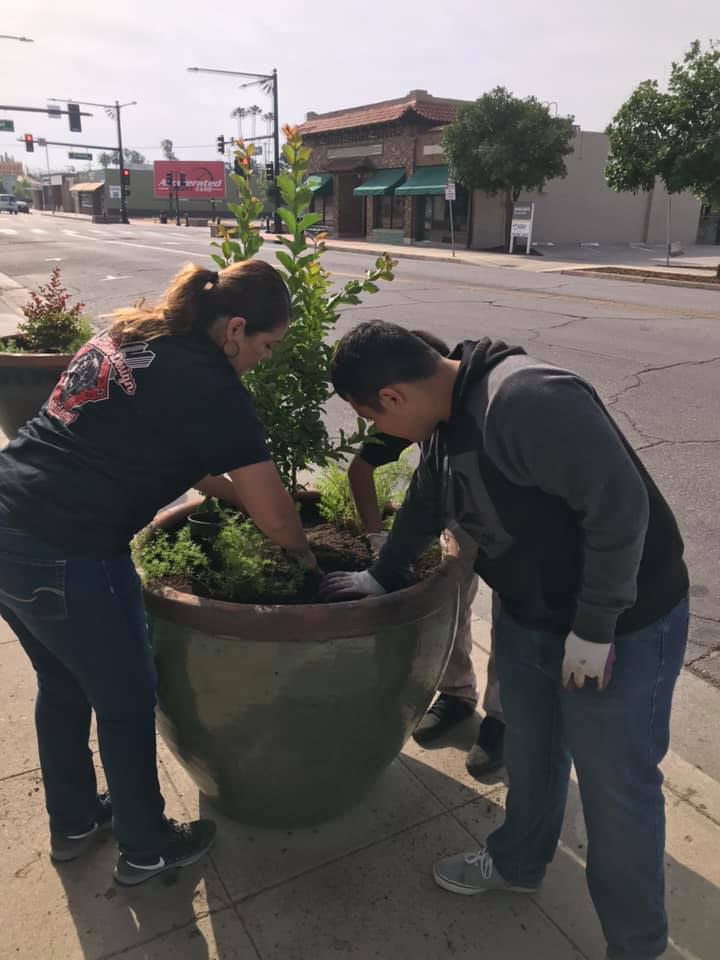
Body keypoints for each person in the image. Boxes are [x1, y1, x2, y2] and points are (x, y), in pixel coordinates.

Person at [321, 320, 689, 960]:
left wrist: (596, 626)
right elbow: (429, 498)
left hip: (623, 625)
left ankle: (636, 945)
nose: (378, 432)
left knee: (616, 789)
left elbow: (621, 509)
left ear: (393, 396)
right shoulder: (447, 418)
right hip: (532, 614)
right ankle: (518, 862)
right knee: (533, 751)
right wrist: (381, 574)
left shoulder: (527, 399)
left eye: (371, 416)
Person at [0, 260, 318, 886]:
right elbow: (280, 518)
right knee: (125, 698)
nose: (266, 359)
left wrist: (238, 500)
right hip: (72, 549)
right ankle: (146, 847)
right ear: (235, 329)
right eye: (267, 345)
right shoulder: (212, 386)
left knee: (62, 684)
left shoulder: (136, 333)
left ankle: (73, 822)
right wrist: (306, 560)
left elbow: (180, 455)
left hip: (8, 522)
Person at [347, 329, 504, 777]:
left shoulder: (490, 409)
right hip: (455, 514)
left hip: (509, 522)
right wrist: (379, 542)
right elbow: (361, 470)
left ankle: (502, 718)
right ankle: (456, 693)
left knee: (514, 615)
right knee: (449, 603)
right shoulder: (409, 408)